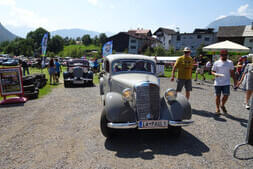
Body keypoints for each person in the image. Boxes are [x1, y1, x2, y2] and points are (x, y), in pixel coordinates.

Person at [211, 49, 237, 115]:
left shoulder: (230, 62)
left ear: (227, 55)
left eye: (225, 54)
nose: (224, 56)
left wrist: (235, 82)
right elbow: (212, 71)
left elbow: (232, 73)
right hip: (218, 83)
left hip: (226, 82)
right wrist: (215, 74)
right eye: (222, 54)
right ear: (220, 55)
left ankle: (222, 105)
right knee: (218, 96)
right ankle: (217, 109)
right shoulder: (216, 62)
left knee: (226, 95)